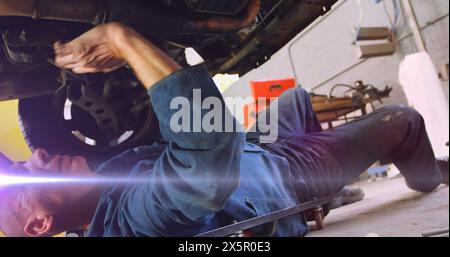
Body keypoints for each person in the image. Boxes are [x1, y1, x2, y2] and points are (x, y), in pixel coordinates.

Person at [0, 23, 448, 237]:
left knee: (295, 99)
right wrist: (124, 41)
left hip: (250, 148)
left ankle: (337, 184)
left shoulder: (97, 193)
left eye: (23, 159)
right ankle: (431, 175)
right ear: (39, 225)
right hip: (284, 178)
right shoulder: (134, 224)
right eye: (28, 179)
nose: (37, 156)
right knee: (403, 122)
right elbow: (204, 156)